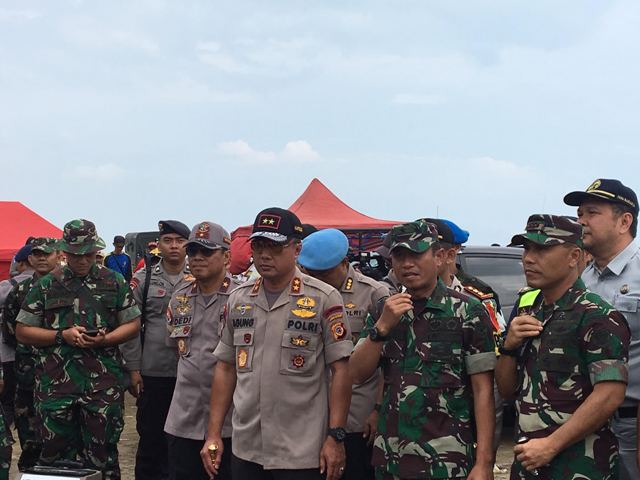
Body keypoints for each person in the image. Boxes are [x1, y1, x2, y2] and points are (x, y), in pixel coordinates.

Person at [202, 207, 353, 480]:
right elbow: (225, 368)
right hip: (248, 445)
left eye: (274, 247)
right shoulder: (238, 299)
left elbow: (341, 370)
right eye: (258, 246)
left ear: (297, 249)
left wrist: (336, 436)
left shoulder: (323, 298)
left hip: (301, 449)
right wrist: (213, 434)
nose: (264, 255)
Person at [349, 220, 497, 480]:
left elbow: (483, 390)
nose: (407, 264)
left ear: (438, 257)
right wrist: (381, 328)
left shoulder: (468, 311)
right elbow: (356, 374)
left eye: (416, 255)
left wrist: (484, 462)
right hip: (391, 459)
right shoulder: (384, 310)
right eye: (399, 256)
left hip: (445, 460)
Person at [496, 214, 630, 479]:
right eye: (527, 249)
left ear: (573, 257)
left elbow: (610, 394)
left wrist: (551, 445)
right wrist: (509, 347)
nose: (529, 259)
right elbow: (507, 390)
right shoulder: (529, 311)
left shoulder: (597, 315)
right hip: (529, 462)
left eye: (542, 249)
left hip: (579, 466)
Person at [15, 219, 141, 479]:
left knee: (104, 457)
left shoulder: (114, 281)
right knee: (56, 460)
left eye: (88, 254)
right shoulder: (46, 285)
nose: (82, 260)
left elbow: (132, 323)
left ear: (96, 251)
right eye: (75, 255)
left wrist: (106, 339)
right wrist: (62, 335)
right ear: (64, 252)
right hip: (56, 386)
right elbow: (23, 331)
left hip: (102, 386)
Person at [562, 178, 640, 479]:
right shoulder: (582, 278)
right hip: (584, 422)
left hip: (631, 427)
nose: (581, 221)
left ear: (624, 222)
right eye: (580, 213)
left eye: (592, 213)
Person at [298, 228, 389, 480]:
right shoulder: (303, 294)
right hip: (314, 413)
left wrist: (378, 408)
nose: (318, 279)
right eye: (311, 273)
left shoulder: (374, 294)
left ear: (344, 264)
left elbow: (389, 359)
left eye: (324, 273)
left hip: (358, 414)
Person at [164, 221, 238, 480]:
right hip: (185, 417)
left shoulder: (242, 298)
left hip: (231, 422)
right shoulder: (179, 297)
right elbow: (176, 348)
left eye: (206, 252)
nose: (197, 258)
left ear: (226, 257)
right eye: (192, 251)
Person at [120, 220, 191, 480]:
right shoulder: (144, 279)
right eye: (168, 241)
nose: (174, 246)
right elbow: (130, 326)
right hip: (153, 371)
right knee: (151, 438)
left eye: (180, 241)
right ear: (158, 245)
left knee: (185, 441)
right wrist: (133, 368)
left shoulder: (199, 276)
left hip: (189, 373)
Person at [2, 237, 59, 470]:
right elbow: (9, 332)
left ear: (59, 255)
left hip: (64, 376)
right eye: (37, 254)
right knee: (30, 443)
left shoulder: (70, 288)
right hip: (28, 377)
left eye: (47, 253)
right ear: (30, 258)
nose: (42, 258)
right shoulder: (19, 291)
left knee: (61, 442)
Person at [0, 243, 34, 430]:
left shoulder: (6, 287)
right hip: (42, 353)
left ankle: (7, 430)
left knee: (8, 396)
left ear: (20, 263)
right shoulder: (54, 285)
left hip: (9, 352)